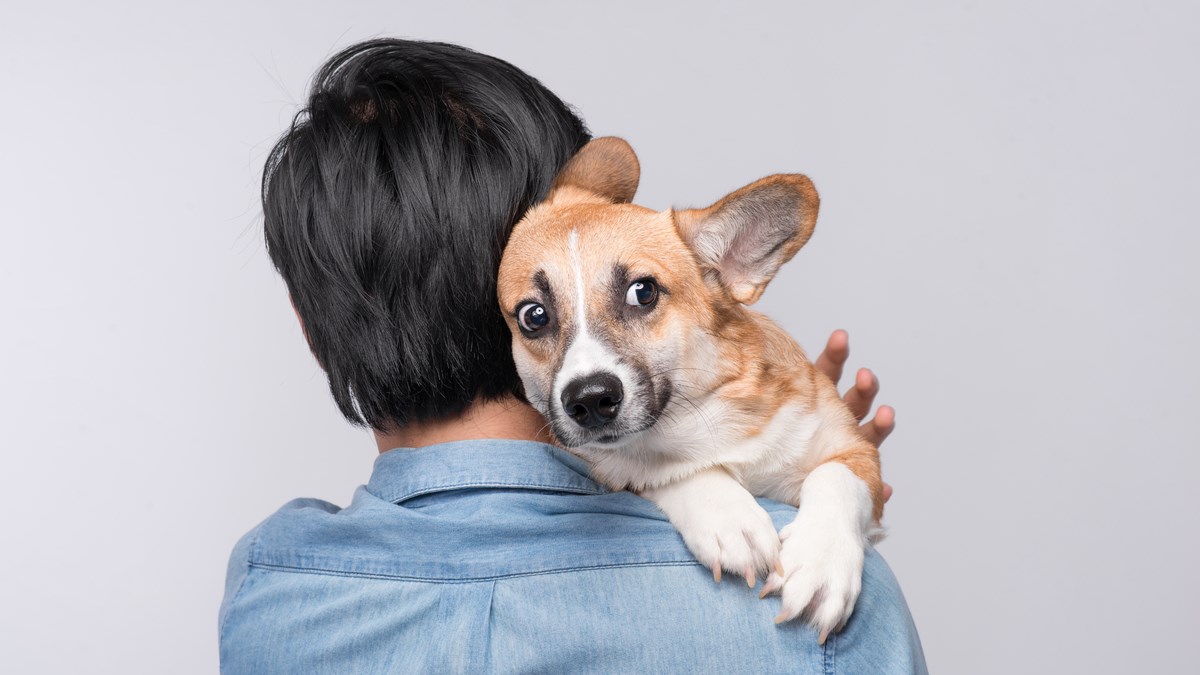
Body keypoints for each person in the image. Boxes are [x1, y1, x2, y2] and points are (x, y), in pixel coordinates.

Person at [219, 38, 927, 674]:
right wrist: (824, 505)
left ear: (311, 328)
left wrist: (776, 453)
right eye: (538, 314)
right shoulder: (828, 597)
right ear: (501, 304)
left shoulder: (266, 589)